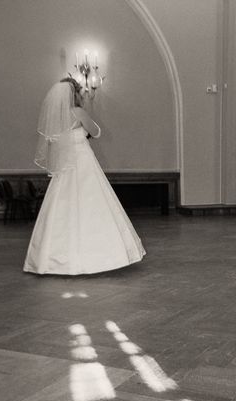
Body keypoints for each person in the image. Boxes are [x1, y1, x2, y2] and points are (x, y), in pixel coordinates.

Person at [24, 78, 145, 275]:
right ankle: (102, 258)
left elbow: (55, 144)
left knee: (60, 207)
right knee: (94, 203)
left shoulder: (56, 119)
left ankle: (51, 260)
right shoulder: (78, 112)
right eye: (79, 92)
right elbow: (96, 132)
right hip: (84, 163)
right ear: (75, 94)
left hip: (64, 167)